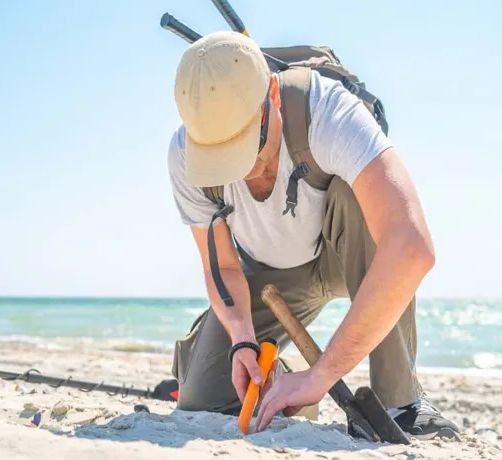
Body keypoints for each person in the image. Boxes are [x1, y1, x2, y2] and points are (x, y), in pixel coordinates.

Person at [165, 30, 459, 439]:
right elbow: (222, 266)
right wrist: (243, 339)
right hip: (271, 275)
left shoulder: (326, 110)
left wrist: (321, 374)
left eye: (246, 148)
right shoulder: (184, 155)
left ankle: (403, 401)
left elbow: (410, 248)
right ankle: (282, 385)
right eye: (222, 159)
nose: (240, 171)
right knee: (202, 398)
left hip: (345, 253)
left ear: (271, 94)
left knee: (363, 201)